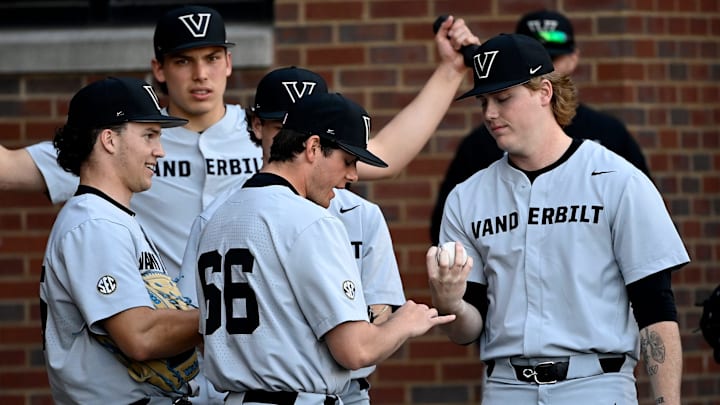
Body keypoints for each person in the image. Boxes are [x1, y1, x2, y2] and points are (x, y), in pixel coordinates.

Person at [0, 4, 475, 279]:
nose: (201, 74)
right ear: (160, 69)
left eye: (211, 57)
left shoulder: (271, 134)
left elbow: (383, 157)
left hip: (250, 346)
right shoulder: (122, 142)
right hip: (158, 343)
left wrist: (451, 71)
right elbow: (8, 168)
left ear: (228, 62)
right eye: (184, 61)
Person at [427, 33, 688, 405]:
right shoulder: (467, 196)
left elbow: (656, 309)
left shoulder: (618, 179)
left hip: (596, 383)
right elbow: (466, 331)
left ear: (544, 91)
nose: (489, 113)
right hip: (506, 387)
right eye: (483, 101)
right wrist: (450, 304)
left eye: (503, 98)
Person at [196, 91, 454, 404]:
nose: (353, 175)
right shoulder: (311, 220)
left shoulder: (218, 216)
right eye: (347, 160)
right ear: (313, 147)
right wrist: (406, 323)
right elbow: (356, 350)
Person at [39, 77, 202, 404]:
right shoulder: (94, 225)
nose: (160, 150)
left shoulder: (109, 217)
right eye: (149, 135)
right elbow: (140, 335)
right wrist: (221, 318)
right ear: (109, 140)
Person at [429, 9, 652, 245]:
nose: (541, 67)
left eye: (551, 58)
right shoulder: (480, 144)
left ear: (573, 59)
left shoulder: (609, 135)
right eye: (531, 56)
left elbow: (647, 241)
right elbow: (450, 238)